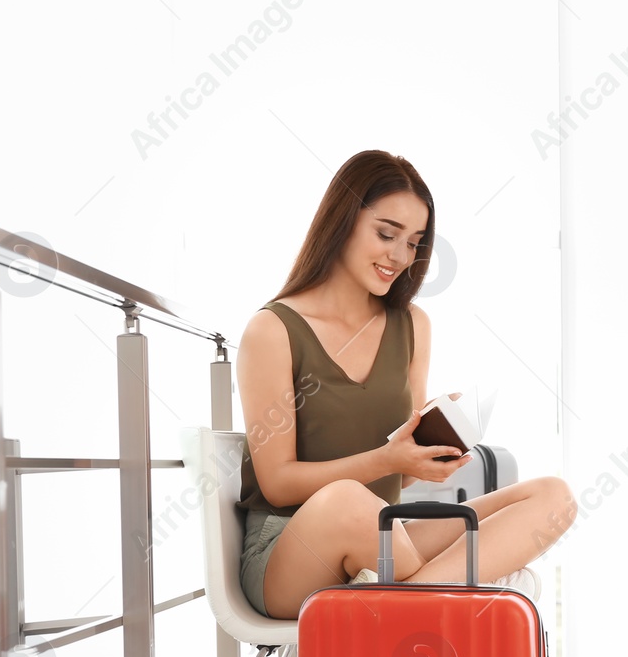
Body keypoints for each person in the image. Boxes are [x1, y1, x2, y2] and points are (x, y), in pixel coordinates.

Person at [234, 150, 578, 620]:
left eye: (414, 242)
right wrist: (383, 459)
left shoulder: (412, 325)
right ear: (342, 222)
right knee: (349, 501)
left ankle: (426, 597)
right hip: (288, 554)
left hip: (381, 539)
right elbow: (276, 484)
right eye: (386, 233)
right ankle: (469, 594)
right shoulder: (272, 330)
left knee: (552, 496)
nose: (400, 256)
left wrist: (430, 445)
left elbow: (405, 474)